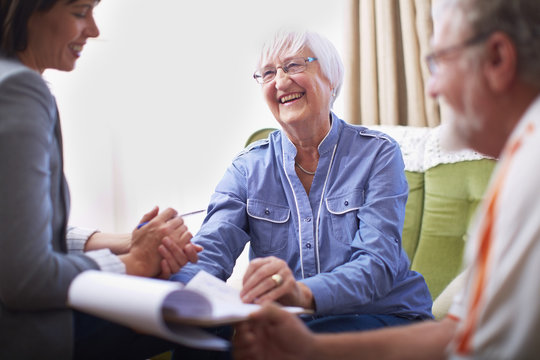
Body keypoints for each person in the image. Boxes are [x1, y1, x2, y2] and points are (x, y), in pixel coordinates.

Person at [231, 0, 540, 359]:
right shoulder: (520, 161)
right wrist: (310, 347)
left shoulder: (530, 174)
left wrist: (304, 307)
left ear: (498, 59)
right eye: (268, 73)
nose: (432, 90)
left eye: (440, 61)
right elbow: (461, 333)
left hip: (375, 315)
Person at [172, 29, 432, 336]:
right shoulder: (248, 168)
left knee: (301, 344)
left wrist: (301, 293)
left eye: (294, 65)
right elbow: (209, 251)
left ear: (331, 78)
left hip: (381, 313)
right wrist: (175, 292)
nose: (280, 82)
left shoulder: (377, 153)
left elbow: (377, 264)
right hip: (291, 322)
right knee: (194, 337)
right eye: (268, 73)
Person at [0, 1, 202, 359]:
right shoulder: (20, 91)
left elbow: (15, 233)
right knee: (200, 312)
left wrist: (127, 242)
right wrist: (136, 263)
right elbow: (24, 276)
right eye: (79, 12)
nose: (93, 30)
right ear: (27, 11)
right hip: (23, 336)